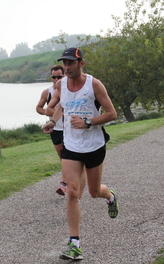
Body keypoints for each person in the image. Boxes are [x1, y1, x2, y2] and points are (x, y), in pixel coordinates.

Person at [42, 47, 119, 260]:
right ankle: (74, 243)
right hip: (71, 146)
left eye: (71, 63)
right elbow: (62, 106)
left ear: (81, 64)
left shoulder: (94, 84)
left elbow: (112, 114)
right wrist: (52, 121)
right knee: (73, 193)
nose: (67, 67)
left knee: (94, 192)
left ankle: (110, 196)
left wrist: (88, 122)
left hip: (94, 145)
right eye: (64, 63)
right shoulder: (60, 84)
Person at [36, 65, 69, 195]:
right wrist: (49, 113)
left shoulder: (69, 90)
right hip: (56, 130)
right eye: (54, 77)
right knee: (62, 157)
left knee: (70, 158)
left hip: (69, 129)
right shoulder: (47, 92)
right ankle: (68, 181)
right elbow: (38, 107)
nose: (56, 79)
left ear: (64, 76)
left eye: (59, 76)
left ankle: (64, 184)